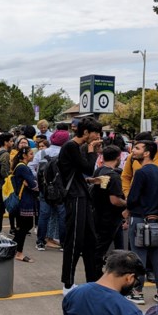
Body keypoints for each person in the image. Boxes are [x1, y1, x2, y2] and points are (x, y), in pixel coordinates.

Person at [58, 117, 104, 293]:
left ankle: (93, 280)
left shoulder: (76, 147)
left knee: (90, 240)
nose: (98, 136)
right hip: (74, 197)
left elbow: (79, 172)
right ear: (86, 132)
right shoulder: (70, 146)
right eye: (96, 133)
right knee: (75, 240)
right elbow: (87, 167)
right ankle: (67, 284)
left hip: (82, 195)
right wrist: (92, 151)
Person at [123, 140, 158, 305]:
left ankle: (137, 291)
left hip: (139, 218)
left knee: (138, 256)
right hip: (155, 218)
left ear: (147, 152)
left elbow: (133, 198)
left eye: (137, 148)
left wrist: (127, 207)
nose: (133, 151)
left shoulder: (141, 173)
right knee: (156, 256)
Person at [35, 128, 70, 251]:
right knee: (62, 215)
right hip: (61, 190)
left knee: (44, 215)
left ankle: (40, 242)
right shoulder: (66, 155)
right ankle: (63, 243)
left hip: (45, 188)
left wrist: (37, 182)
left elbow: (32, 167)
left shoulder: (42, 153)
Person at [92, 145, 127, 262]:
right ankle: (95, 273)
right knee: (100, 248)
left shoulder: (99, 170)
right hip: (110, 217)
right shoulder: (114, 176)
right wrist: (128, 204)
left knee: (103, 244)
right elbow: (115, 200)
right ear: (118, 158)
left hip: (98, 213)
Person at [9, 145, 39, 263]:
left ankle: (13, 248)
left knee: (24, 226)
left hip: (23, 200)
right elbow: (33, 184)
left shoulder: (20, 166)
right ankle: (18, 252)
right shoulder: (23, 168)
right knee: (24, 226)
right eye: (31, 154)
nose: (33, 156)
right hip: (24, 201)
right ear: (24, 156)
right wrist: (34, 185)